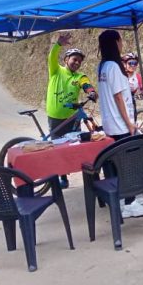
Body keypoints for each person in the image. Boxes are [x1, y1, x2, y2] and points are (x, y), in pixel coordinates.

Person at [97, 30, 143, 218]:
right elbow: (118, 97)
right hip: (120, 124)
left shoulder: (102, 66)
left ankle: (118, 201)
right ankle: (129, 203)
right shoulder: (114, 66)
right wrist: (129, 124)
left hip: (109, 123)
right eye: (120, 41)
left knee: (113, 165)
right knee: (127, 165)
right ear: (115, 43)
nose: (121, 44)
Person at [46, 32, 98, 189]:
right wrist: (58, 44)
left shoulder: (79, 76)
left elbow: (86, 84)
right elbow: (51, 57)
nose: (77, 63)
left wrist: (91, 92)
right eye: (74, 59)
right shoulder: (56, 71)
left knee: (77, 145)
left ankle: (87, 176)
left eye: (79, 61)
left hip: (72, 116)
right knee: (58, 148)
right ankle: (62, 177)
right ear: (66, 60)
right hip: (55, 117)